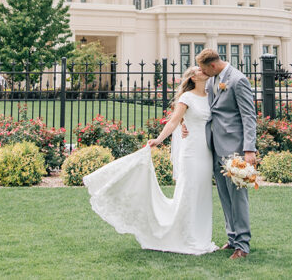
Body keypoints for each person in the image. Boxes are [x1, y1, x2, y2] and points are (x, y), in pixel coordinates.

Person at [83, 66, 218, 255]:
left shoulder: (212, 94)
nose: (203, 71)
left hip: (206, 151)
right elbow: (172, 121)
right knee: (190, 191)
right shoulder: (186, 98)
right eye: (199, 70)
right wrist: (159, 139)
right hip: (191, 152)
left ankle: (201, 236)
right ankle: (186, 236)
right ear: (193, 77)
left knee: (203, 193)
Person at [189, 49, 258, 259]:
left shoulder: (238, 80)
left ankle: (243, 245)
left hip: (235, 148)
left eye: (202, 69)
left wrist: (249, 150)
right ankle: (233, 238)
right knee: (224, 196)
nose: (200, 72)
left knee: (237, 197)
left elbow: (248, 116)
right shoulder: (213, 80)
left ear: (212, 66)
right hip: (215, 146)